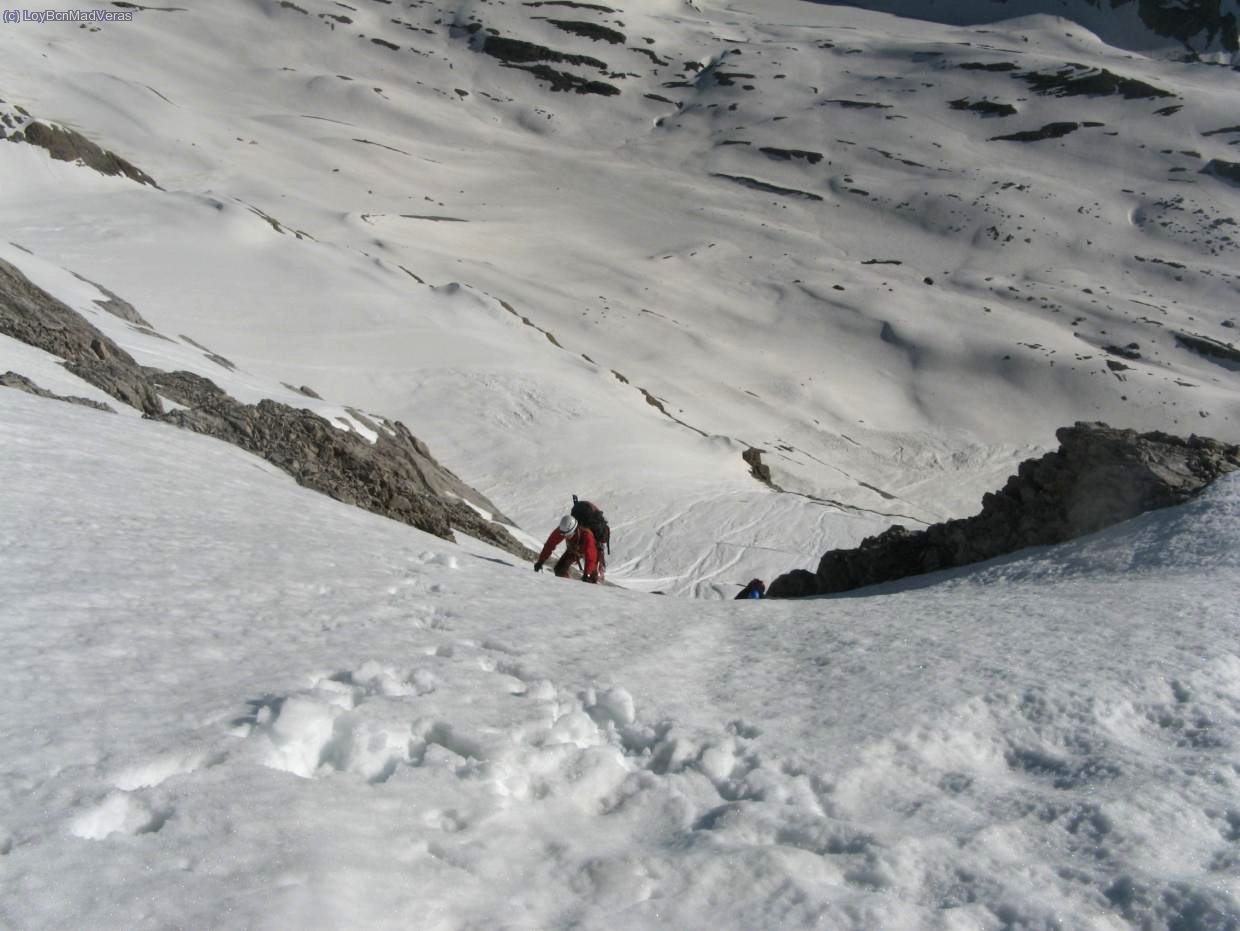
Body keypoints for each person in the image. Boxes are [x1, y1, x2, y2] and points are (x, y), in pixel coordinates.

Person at [534, 514, 601, 583]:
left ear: (575, 530)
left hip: (592, 551)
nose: (566, 537)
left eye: (569, 535)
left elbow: (591, 558)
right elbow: (550, 544)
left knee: (591, 578)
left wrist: (587, 574)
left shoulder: (587, 537)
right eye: (564, 535)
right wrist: (540, 561)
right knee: (559, 570)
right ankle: (568, 589)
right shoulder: (562, 530)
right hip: (574, 549)